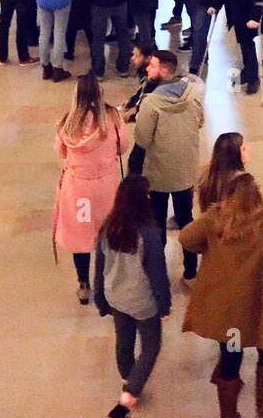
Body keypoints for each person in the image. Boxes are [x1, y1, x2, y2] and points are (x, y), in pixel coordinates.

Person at [179, 173, 263, 418]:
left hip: (228, 307)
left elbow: (185, 238)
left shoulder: (214, 220)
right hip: (259, 305)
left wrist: (206, 249)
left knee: (230, 358)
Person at [94, 174, 171, 418]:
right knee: (151, 347)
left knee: (123, 341)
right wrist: (164, 303)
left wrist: (100, 298)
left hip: (116, 297)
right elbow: (157, 272)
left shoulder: (108, 227)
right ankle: (122, 408)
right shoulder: (148, 232)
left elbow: (99, 267)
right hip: (142, 301)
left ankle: (129, 380)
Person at [128, 50, 204, 282]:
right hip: (185, 170)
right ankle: (191, 269)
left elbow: (142, 139)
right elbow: (200, 121)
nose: (148, 69)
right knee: (185, 217)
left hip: (159, 173)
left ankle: (157, 271)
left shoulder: (152, 103)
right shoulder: (193, 93)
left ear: (163, 71)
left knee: (157, 221)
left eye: (151, 66)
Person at [54, 74, 125, 304]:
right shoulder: (111, 117)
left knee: (80, 236)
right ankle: (108, 282)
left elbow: (60, 151)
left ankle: (84, 284)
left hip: (78, 190)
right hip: (106, 187)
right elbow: (123, 146)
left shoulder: (67, 122)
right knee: (107, 233)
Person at [196, 131, 247, 212]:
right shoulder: (242, 183)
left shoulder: (208, 178)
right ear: (235, 153)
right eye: (243, 149)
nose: (247, 152)